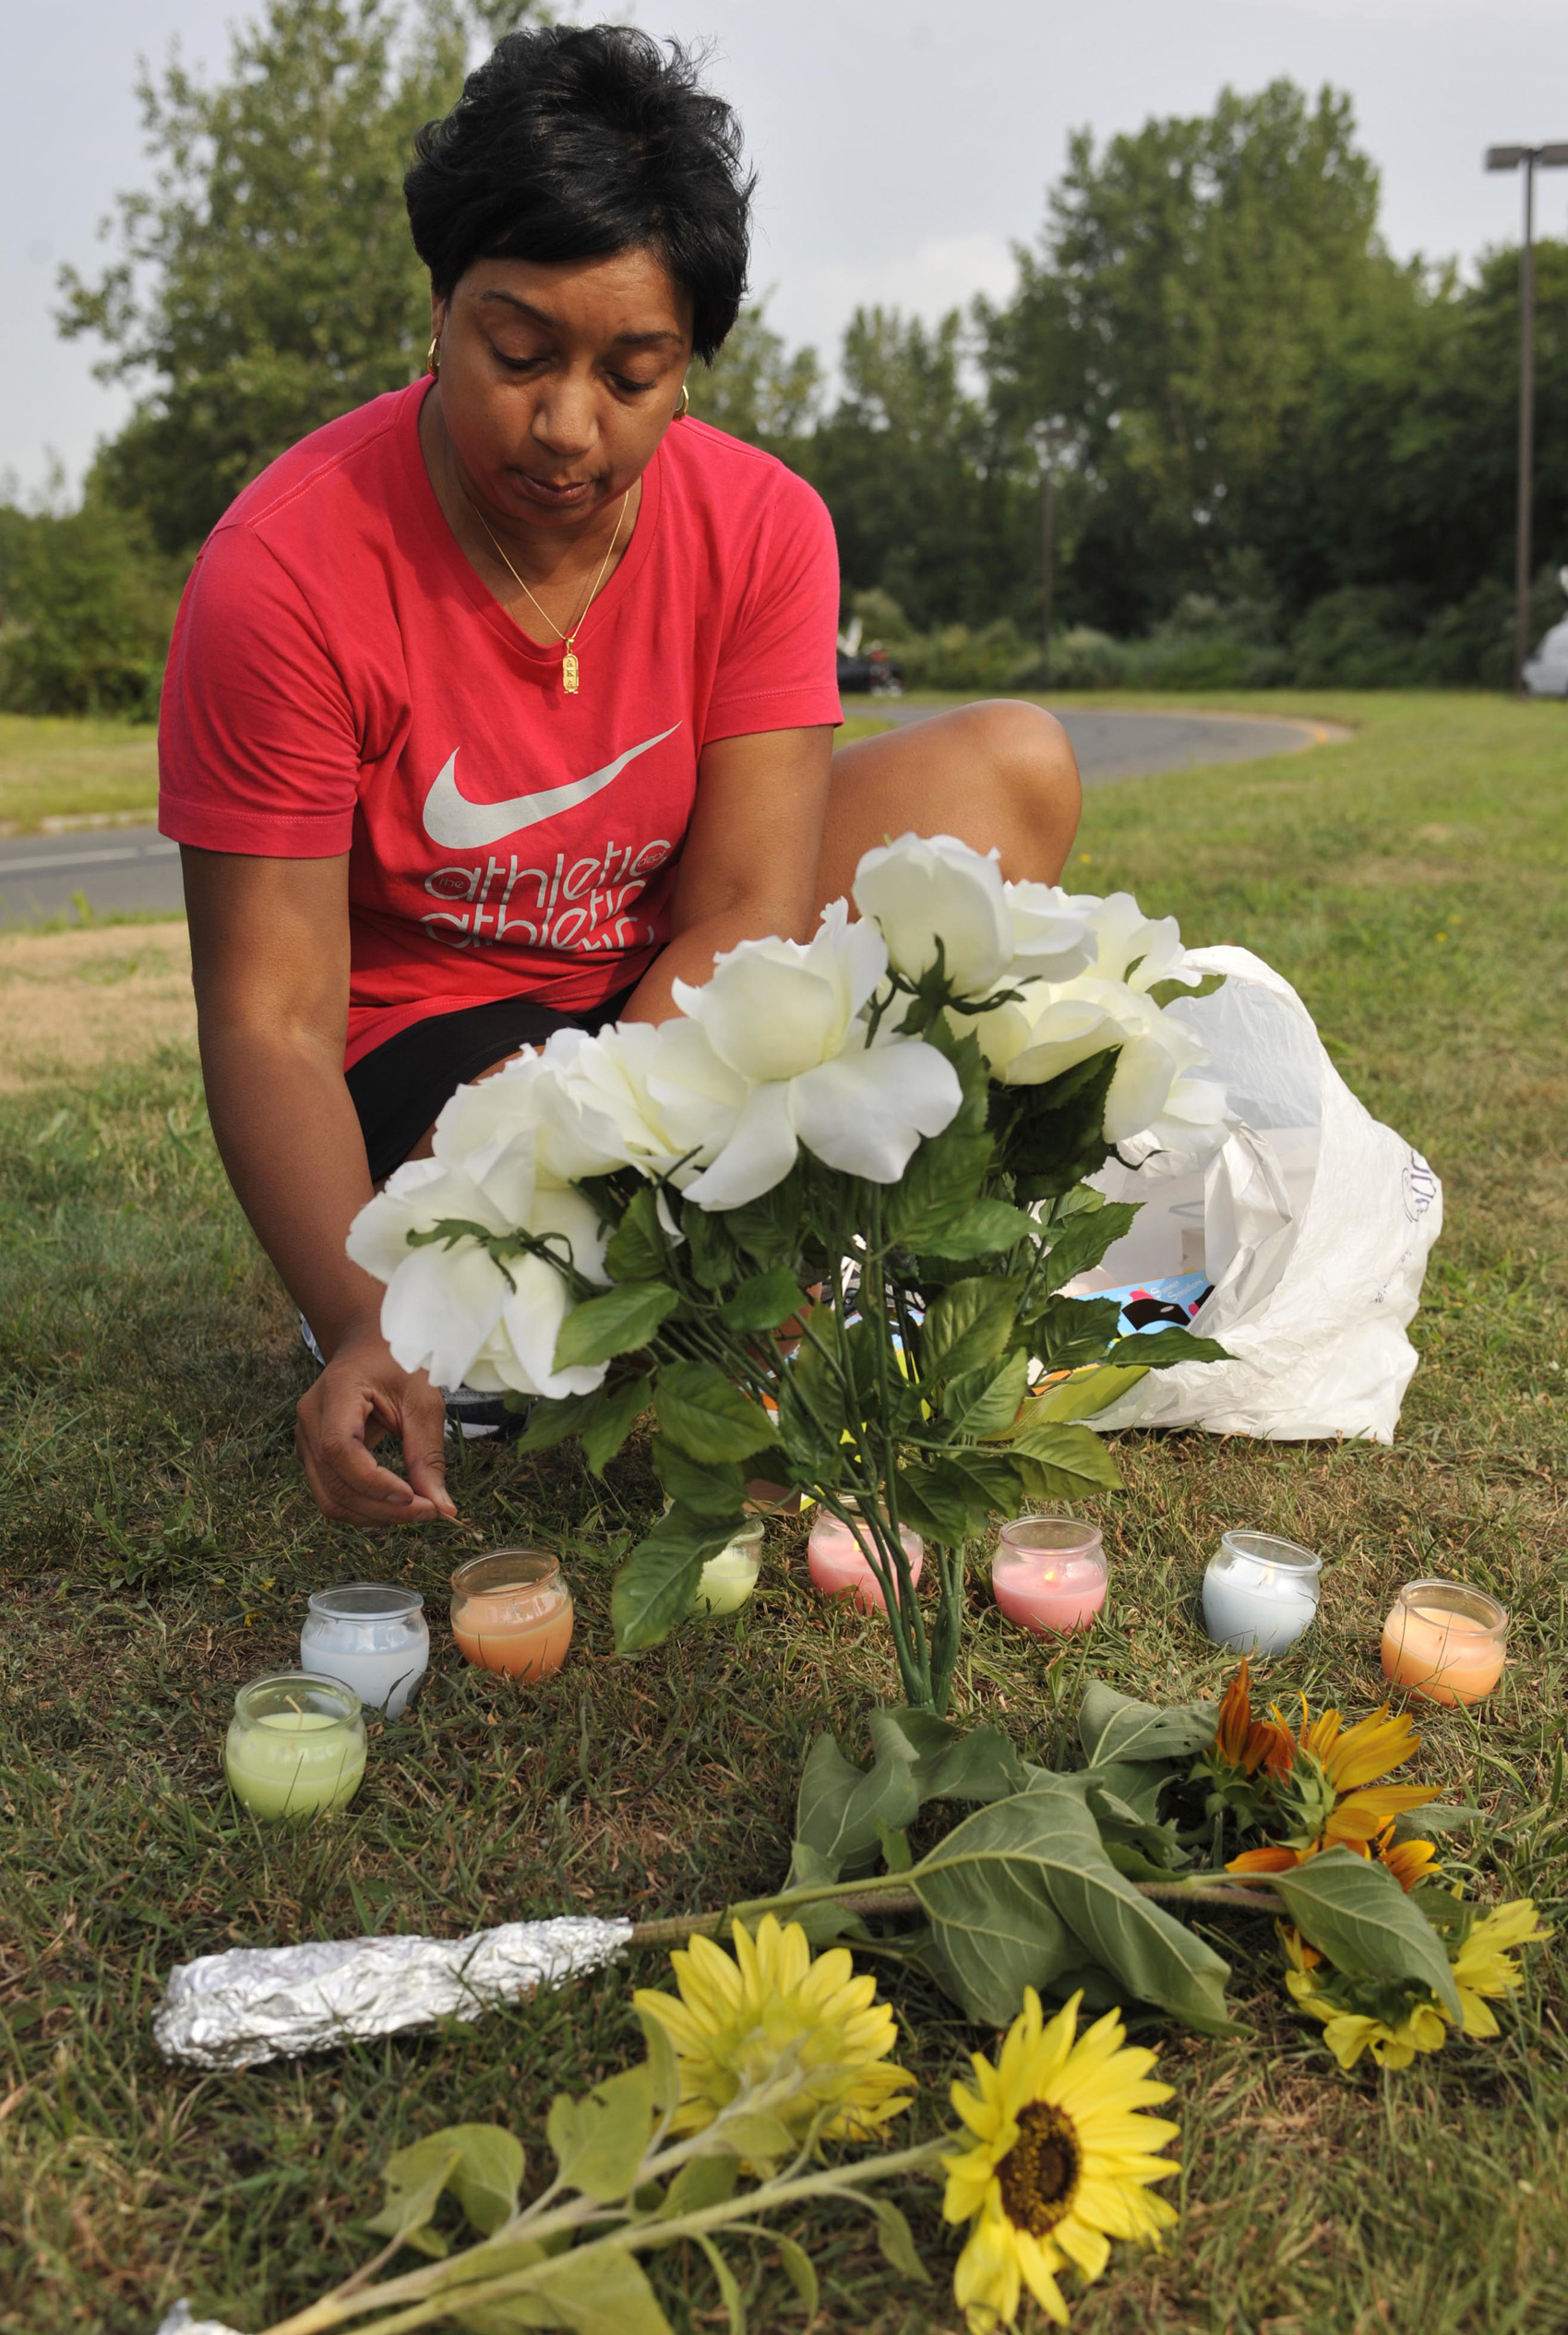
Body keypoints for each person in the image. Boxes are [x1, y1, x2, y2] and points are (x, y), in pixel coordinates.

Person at [160, 24, 1081, 1531]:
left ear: (692, 360)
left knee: (1010, 771)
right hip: (437, 1041)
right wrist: (362, 1316)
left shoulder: (764, 530)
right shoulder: (285, 575)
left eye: (631, 370)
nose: (566, 424)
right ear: (441, 306)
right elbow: (269, 1015)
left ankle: (661, 1252)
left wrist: (645, 1160)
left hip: (667, 982)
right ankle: (481, 1264)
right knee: (545, 1251)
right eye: (516, 353)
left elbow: (743, 911)